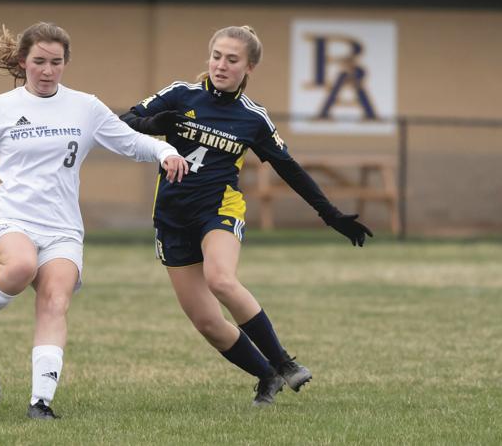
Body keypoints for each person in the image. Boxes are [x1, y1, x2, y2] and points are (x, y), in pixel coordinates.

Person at [0, 22, 188, 420]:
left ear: (66, 63)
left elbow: (128, 140)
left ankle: (40, 403)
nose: (47, 71)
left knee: (55, 303)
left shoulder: (84, 106)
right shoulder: (1, 108)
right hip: (12, 220)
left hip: (63, 229)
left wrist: (162, 150)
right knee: (21, 265)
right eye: (39, 62)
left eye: (56, 62)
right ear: (22, 62)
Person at [120, 25, 372, 407]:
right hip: (171, 218)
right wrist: (151, 126)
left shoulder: (251, 118)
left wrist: (330, 214)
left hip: (218, 209)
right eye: (216, 56)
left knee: (220, 279)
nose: (221, 65)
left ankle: (284, 362)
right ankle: (266, 376)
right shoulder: (179, 94)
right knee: (207, 323)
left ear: (249, 66)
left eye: (232, 59)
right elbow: (122, 124)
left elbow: (289, 168)